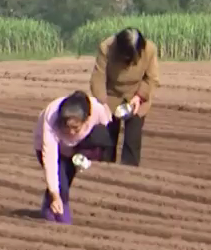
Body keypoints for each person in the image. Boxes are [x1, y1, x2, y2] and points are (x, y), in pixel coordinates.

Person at [34, 90, 114, 224]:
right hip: (53, 149)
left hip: (76, 149)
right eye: (67, 127)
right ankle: (59, 218)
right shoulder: (51, 117)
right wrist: (55, 194)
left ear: (86, 119)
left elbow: (106, 129)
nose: (71, 132)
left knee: (66, 179)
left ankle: (50, 209)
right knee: (61, 185)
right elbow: (50, 158)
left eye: (75, 128)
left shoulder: (97, 110)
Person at [89, 27, 159, 167]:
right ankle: (105, 169)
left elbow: (152, 78)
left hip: (136, 98)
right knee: (107, 140)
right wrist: (103, 104)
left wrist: (139, 96)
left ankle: (129, 171)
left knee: (132, 140)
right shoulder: (106, 48)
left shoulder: (150, 50)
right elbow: (98, 78)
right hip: (111, 95)